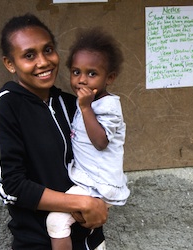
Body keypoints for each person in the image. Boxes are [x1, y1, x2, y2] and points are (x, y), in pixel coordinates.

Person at [0, 14, 108, 250]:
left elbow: (100, 157)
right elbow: (9, 186)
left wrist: (98, 203)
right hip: (39, 242)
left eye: (48, 50)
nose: (43, 62)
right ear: (10, 63)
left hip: (91, 241)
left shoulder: (73, 104)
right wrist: (78, 203)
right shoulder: (5, 108)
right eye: (29, 55)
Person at [46, 28, 130, 250]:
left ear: (109, 78)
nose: (82, 80)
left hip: (99, 184)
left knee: (55, 221)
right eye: (76, 72)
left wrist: (85, 109)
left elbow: (101, 141)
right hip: (87, 180)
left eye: (92, 74)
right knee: (71, 223)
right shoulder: (84, 103)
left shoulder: (108, 106)